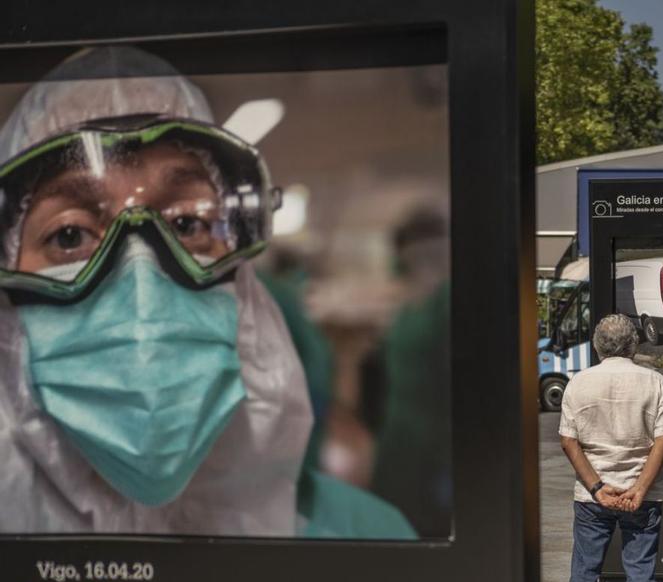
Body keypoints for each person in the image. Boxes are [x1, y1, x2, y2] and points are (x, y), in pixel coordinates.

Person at [0, 46, 414, 538]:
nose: (143, 293)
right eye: (69, 236)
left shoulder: (362, 537)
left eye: (188, 223)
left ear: (244, 290)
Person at [559, 314, 663, 582]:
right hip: (643, 496)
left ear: (597, 346)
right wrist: (639, 488)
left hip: (593, 498)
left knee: (584, 571)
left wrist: (596, 486)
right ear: (633, 344)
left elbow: (568, 441)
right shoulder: (655, 382)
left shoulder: (578, 383)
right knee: (640, 572)